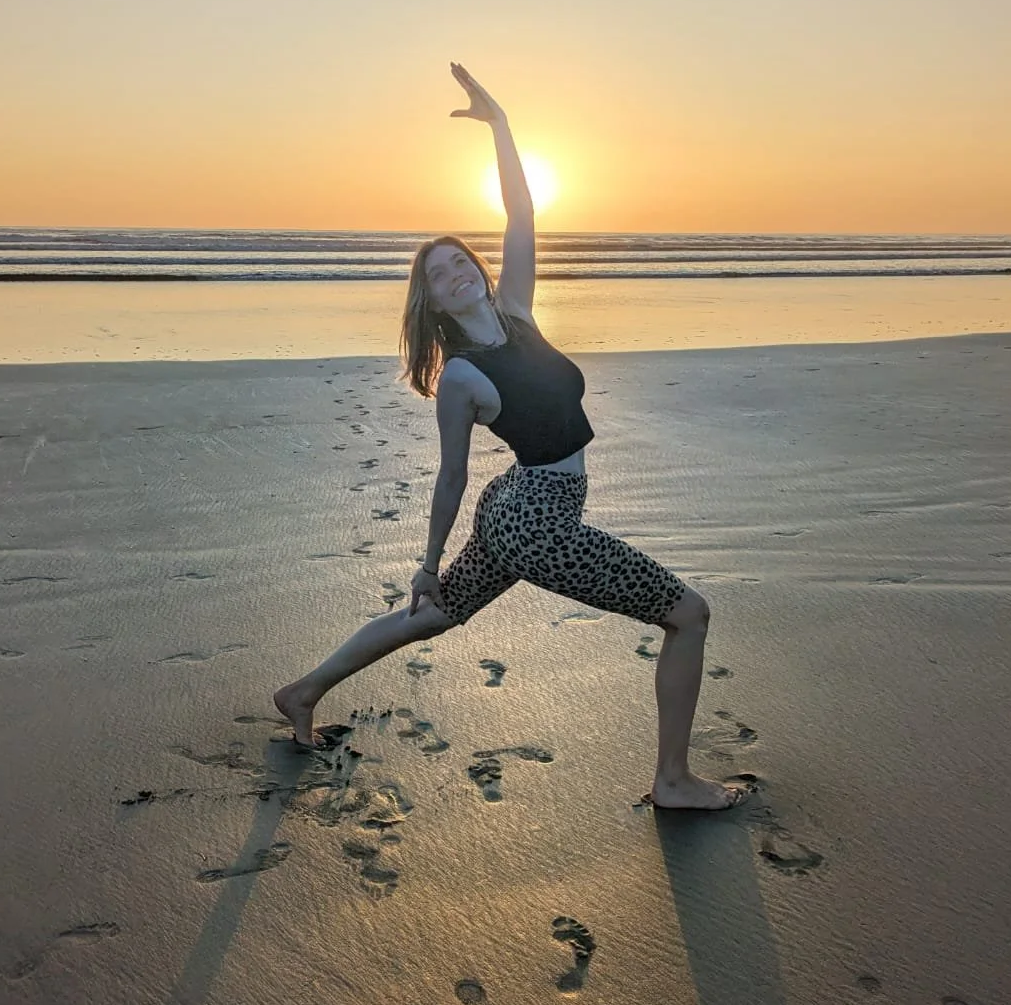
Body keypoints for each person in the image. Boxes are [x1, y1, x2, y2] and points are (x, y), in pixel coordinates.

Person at [274, 63, 748, 810]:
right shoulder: (461, 376)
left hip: (519, 505)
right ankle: (673, 782)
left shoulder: (519, 313)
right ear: (432, 301)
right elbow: (450, 476)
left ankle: (302, 692)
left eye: (461, 261)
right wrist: (427, 561)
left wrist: (499, 124)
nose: (456, 272)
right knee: (687, 614)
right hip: (536, 519)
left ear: (479, 270)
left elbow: (521, 210)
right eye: (440, 274)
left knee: (433, 619)